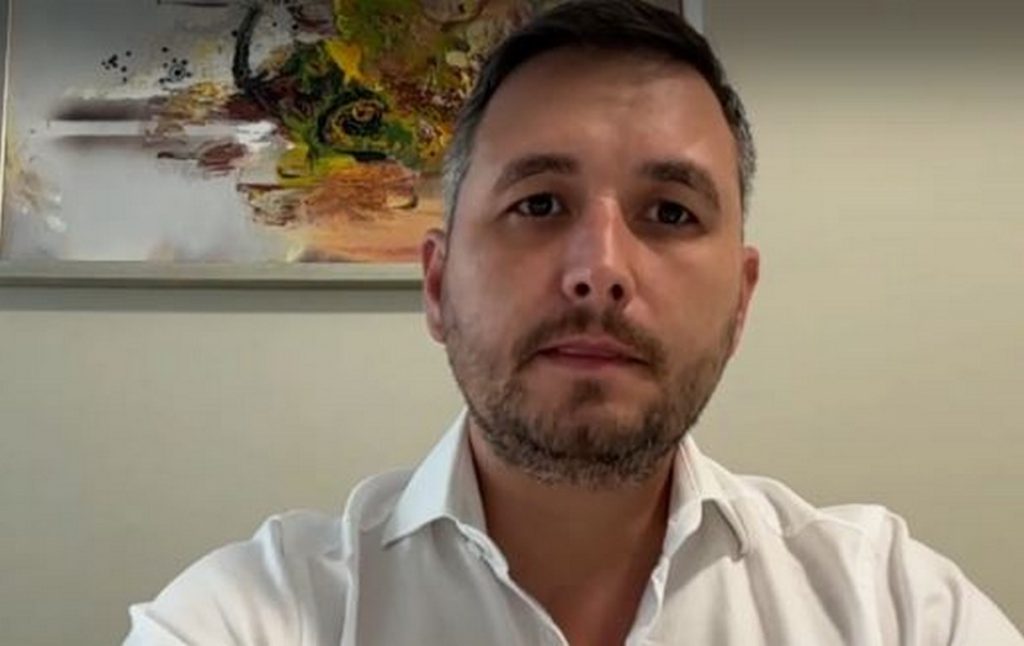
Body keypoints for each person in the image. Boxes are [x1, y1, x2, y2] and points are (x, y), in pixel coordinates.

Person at [124, 1, 1023, 644]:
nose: (600, 270)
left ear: (741, 301)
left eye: (670, 213)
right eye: (540, 203)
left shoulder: (893, 609)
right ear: (436, 284)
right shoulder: (253, 617)